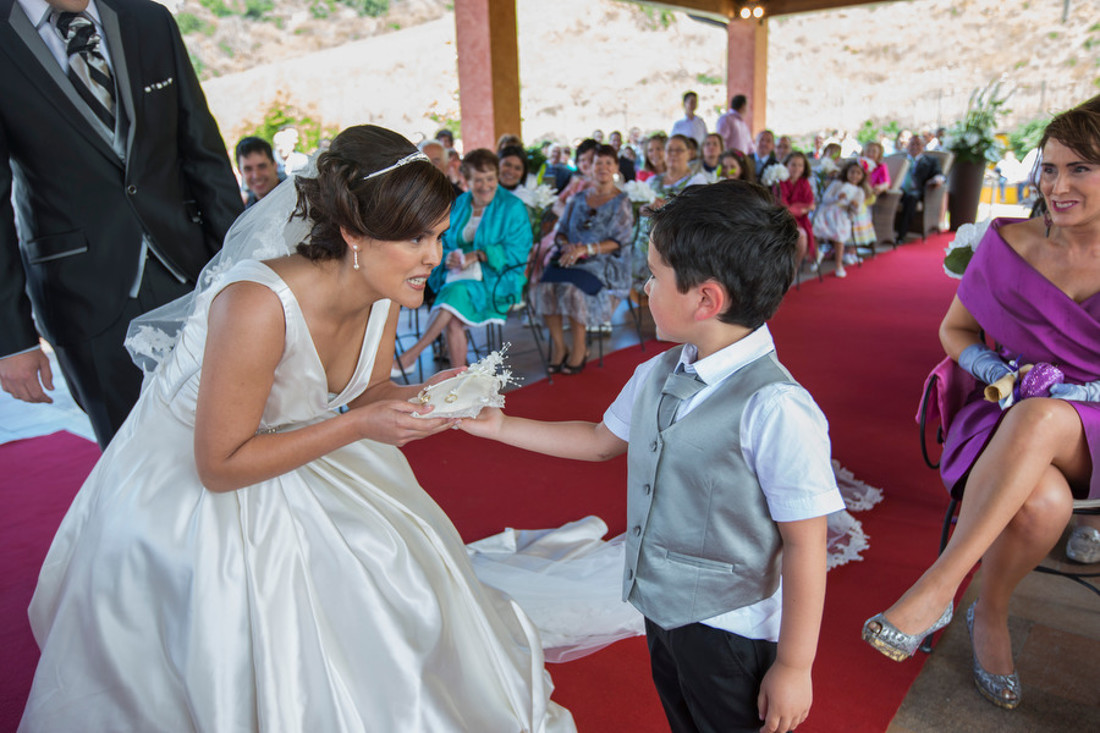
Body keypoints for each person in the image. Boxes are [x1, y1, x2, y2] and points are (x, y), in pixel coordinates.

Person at [19, 125, 575, 732]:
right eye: (416, 238)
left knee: (394, 566)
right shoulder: (257, 304)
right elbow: (220, 464)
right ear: (354, 234)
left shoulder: (384, 289)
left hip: (292, 443)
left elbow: (367, 390)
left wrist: (436, 394)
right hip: (199, 482)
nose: (434, 258)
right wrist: (361, 424)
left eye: (438, 236)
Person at [461, 180, 843, 733]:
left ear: (706, 299)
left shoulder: (777, 407)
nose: (644, 287)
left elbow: (806, 544)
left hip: (732, 627)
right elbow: (599, 440)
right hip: (661, 611)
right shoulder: (657, 372)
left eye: (655, 275)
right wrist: (500, 426)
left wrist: (793, 664)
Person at [861, 96, 1100, 711]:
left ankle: (940, 585)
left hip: (1093, 429)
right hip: (1005, 408)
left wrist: (1075, 392)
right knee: (1040, 503)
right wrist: (996, 371)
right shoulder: (1008, 244)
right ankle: (986, 613)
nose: (1057, 185)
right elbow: (956, 332)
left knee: (1046, 417)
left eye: (1080, 169)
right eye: (1049, 168)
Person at [0, 0, 243, 448]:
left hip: (195, 277)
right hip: (84, 299)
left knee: (235, 438)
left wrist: (245, 269)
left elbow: (203, 154)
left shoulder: (149, 21)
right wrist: (12, 340)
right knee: (135, 460)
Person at [396, 148, 533, 370]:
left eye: (490, 178)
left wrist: (479, 254)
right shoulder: (459, 204)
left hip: (497, 278)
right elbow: (445, 239)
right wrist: (449, 256)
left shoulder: (512, 207)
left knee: (454, 300)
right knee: (455, 301)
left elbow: (518, 250)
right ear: (466, 180)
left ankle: (415, 354)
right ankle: (459, 376)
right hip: (458, 273)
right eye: (478, 180)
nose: (486, 185)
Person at [531, 144, 633, 375]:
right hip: (570, 256)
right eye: (598, 162)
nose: (603, 168)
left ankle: (579, 348)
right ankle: (559, 347)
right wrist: (567, 245)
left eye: (608, 163)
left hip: (604, 262)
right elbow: (561, 231)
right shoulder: (577, 198)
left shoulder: (621, 202)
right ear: (590, 167)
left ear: (616, 167)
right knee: (545, 287)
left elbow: (620, 241)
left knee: (571, 290)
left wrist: (586, 249)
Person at [814, 160, 873, 278]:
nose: (854, 176)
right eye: (852, 172)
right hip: (828, 212)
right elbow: (825, 198)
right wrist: (836, 197)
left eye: (858, 173)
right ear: (846, 172)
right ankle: (816, 254)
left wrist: (854, 205)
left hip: (842, 215)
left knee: (839, 238)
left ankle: (838, 264)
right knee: (815, 231)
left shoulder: (859, 191)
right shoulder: (837, 184)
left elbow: (857, 210)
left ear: (862, 176)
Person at [894, 134, 944, 242]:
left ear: (923, 146)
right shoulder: (899, 159)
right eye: (912, 144)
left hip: (917, 191)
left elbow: (939, 175)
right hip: (898, 189)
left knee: (911, 198)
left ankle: (901, 235)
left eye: (918, 144)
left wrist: (936, 180)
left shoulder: (931, 161)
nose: (914, 146)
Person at [777, 151, 815, 274]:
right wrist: (802, 209)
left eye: (800, 165)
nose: (797, 168)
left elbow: (811, 204)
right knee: (801, 235)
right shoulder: (780, 181)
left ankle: (794, 268)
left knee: (803, 235)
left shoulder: (804, 182)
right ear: (786, 165)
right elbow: (783, 207)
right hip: (781, 219)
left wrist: (796, 208)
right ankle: (789, 268)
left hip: (800, 220)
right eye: (793, 164)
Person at [235, 135, 282, 207]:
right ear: (240, 172)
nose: (256, 175)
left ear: (275, 165)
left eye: (262, 166)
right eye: (248, 169)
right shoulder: (246, 213)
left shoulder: (298, 197)